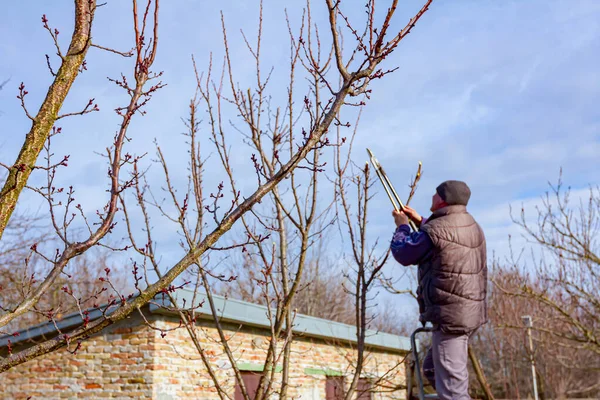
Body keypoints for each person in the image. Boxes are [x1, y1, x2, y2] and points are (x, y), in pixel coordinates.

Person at [390, 180, 487, 400]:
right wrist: (420, 221)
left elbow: (404, 253)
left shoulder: (438, 229)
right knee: (432, 368)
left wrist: (403, 226)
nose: (432, 196)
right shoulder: (470, 224)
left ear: (443, 199)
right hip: (468, 314)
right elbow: (445, 239)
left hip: (450, 317)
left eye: (436, 194)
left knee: (453, 392)